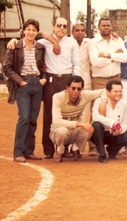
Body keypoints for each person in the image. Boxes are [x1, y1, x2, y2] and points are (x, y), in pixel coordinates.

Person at [3, 19, 46, 162]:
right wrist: (19, 81)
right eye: (28, 29)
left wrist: (43, 78)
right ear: (23, 31)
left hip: (37, 84)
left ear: (37, 32)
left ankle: (29, 150)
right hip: (23, 83)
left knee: (33, 119)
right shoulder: (15, 46)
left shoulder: (40, 47)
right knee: (24, 117)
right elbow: (7, 67)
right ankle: (18, 152)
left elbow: (44, 65)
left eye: (34, 30)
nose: (31, 32)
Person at [39, 18, 80, 159]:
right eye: (58, 25)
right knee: (49, 115)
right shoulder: (44, 42)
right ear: (53, 26)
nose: (61, 28)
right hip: (51, 79)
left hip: (67, 79)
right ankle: (48, 149)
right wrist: (53, 41)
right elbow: (31, 34)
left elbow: (77, 62)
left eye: (64, 26)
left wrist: (76, 82)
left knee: (67, 114)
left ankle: (65, 147)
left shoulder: (71, 42)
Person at [50, 75, 104, 162]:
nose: (76, 91)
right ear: (67, 88)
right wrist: (80, 124)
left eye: (79, 89)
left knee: (88, 129)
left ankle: (76, 149)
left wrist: (104, 102)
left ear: (82, 90)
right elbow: (56, 122)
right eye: (73, 88)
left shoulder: (84, 95)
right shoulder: (58, 97)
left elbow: (104, 91)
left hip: (74, 131)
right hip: (58, 132)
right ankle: (59, 150)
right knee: (62, 131)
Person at [91, 79, 127, 163]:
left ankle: (112, 152)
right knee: (96, 125)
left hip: (114, 134)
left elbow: (126, 122)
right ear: (108, 92)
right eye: (115, 91)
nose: (119, 94)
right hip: (100, 134)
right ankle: (102, 154)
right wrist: (112, 123)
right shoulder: (99, 101)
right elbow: (95, 116)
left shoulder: (124, 104)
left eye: (120, 91)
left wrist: (121, 129)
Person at [88, 18, 127, 91]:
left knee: (116, 102)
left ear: (111, 27)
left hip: (115, 79)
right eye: (103, 25)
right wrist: (115, 58)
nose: (106, 27)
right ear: (98, 27)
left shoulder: (118, 40)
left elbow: (125, 57)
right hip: (99, 81)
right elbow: (95, 61)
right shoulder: (93, 42)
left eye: (108, 25)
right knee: (99, 102)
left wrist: (107, 55)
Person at [72, 23, 91, 90]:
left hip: (86, 81)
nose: (80, 32)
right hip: (71, 81)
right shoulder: (68, 43)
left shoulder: (90, 42)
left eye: (82, 30)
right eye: (77, 30)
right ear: (72, 32)